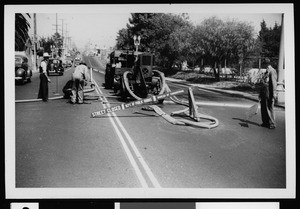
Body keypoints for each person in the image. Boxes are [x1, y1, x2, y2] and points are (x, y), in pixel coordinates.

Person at [258, 58, 278, 129]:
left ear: (268, 64)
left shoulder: (272, 71)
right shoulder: (266, 72)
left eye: (265, 64)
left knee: (269, 107)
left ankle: (272, 123)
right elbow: (263, 83)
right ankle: (265, 122)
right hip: (264, 91)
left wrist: (274, 93)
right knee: (263, 107)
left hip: (269, 92)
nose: (265, 65)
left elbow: (274, 83)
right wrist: (260, 94)